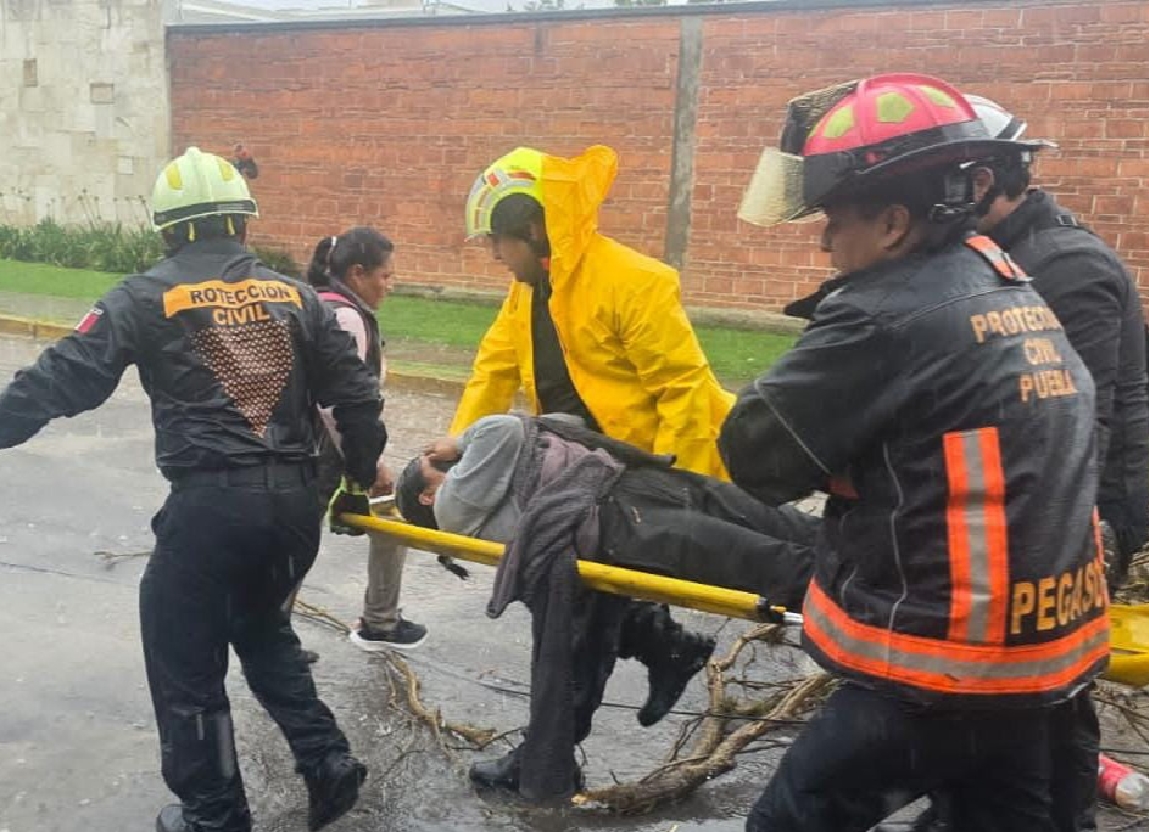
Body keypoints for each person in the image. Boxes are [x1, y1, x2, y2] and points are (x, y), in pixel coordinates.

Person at [723, 74, 1108, 832]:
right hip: (1030, 656)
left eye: (836, 216)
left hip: (944, 664)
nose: (825, 239)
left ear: (894, 222)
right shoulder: (999, 275)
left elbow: (756, 456)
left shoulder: (885, 312)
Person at [0, 147, 386, 832]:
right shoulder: (296, 298)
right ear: (242, 223)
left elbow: (63, 380)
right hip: (295, 507)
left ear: (167, 232)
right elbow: (358, 397)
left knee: (185, 662)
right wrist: (360, 477)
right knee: (261, 624)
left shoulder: (142, 296)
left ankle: (217, 826)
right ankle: (327, 758)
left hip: (211, 508)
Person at [870, 94, 1149, 832]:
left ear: (986, 179)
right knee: (980, 682)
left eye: (946, 181)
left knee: (1054, 703)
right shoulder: (993, 255)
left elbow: (1077, 421)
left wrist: (1084, 536)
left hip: (1083, 516)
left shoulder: (1069, 267)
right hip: (1020, 509)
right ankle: (961, 815)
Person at [397, 413, 818, 793]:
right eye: (432, 463)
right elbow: (504, 429)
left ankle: (669, 650)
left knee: (780, 526)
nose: (443, 459)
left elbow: (561, 420)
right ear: (426, 498)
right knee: (770, 563)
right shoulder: (453, 505)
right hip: (618, 516)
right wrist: (457, 441)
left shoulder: (497, 481)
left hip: (629, 492)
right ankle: (867, 593)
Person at [454, 145, 734, 478]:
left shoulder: (635, 281)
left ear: (533, 229)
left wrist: (673, 489)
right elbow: (492, 374)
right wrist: (456, 453)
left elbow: (684, 392)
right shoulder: (527, 291)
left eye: (496, 240)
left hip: (651, 471)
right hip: (585, 470)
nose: (494, 254)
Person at [287, 227, 427, 653]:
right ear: (358, 272)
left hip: (308, 451)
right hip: (322, 455)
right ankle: (377, 622)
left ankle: (376, 619)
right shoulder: (346, 317)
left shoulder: (322, 303)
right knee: (297, 546)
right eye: (385, 276)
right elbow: (337, 404)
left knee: (296, 545)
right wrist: (368, 464)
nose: (390, 285)